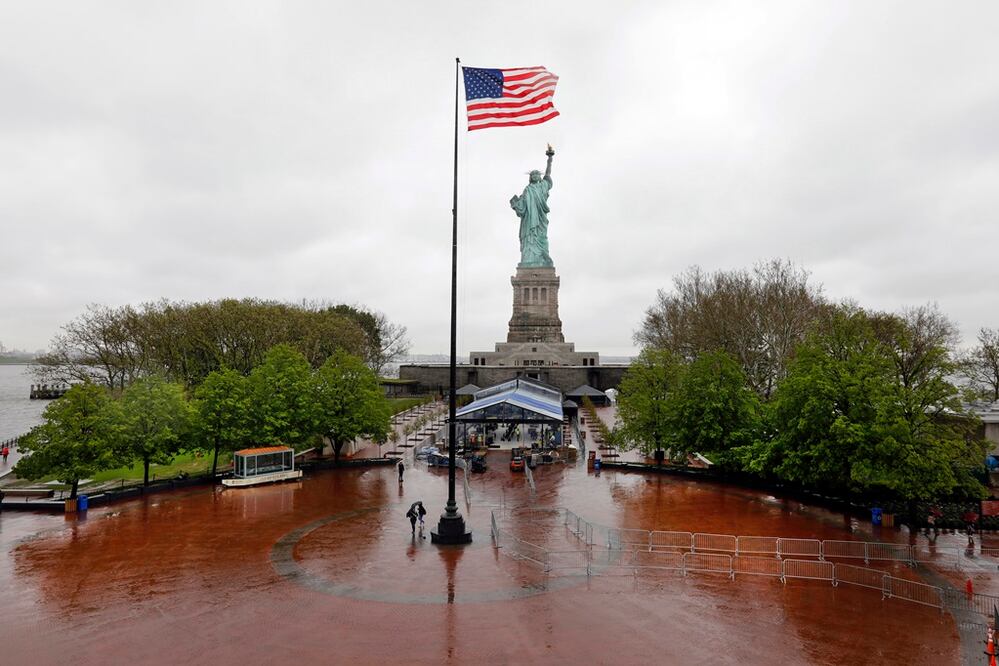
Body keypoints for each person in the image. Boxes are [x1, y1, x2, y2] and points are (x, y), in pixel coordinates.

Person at [509, 145, 556, 268]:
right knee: (529, 238)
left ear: (539, 177)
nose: (535, 175)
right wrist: (516, 204)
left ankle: (543, 257)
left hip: (540, 219)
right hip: (529, 220)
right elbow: (522, 207)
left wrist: (550, 159)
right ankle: (528, 259)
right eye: (533, 174)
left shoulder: (543, 186)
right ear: (530, 178)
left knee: (542, 237)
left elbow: (548, 173)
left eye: (537, 174)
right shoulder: (527, 189)